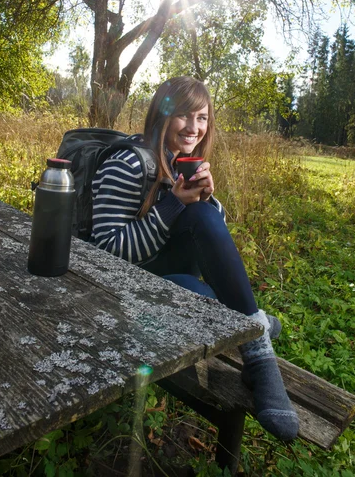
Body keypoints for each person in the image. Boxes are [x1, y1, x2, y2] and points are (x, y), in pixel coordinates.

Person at [90, 76, 299, 441]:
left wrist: (203, 201)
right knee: (193, 291)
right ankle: (258, 326)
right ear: (162, 115)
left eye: (202, 117)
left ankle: (259, 356)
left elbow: (202, 238)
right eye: (184, 116)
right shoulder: (129, 163)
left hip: (158, 276)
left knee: (203, 222)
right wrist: (173, 206)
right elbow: (106, 253)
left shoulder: (176, 161)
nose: (194, 127)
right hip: (119, 293)